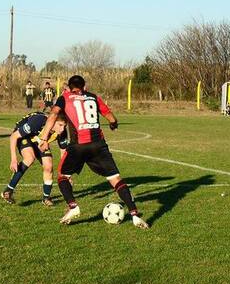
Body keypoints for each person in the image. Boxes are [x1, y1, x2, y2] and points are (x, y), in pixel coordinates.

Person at [38, 75, 149, 229]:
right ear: (84, 86)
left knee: (63, 176)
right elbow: (110, 117)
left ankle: (73, 206)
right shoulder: (93, 97)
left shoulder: (65, 97)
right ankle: (135, 215)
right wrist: (113, 124)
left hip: (78, 146)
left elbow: (54, 114)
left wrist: (44, 137)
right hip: (98, 145)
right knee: (115, 179)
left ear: (69, 88)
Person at [1, 112, 68, 206]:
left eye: (65, 126)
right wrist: (14, 159)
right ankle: (8, 190)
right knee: (29, 158)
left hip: (40, 140)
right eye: (60, 125)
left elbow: (63, 153)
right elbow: (14, 137)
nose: (62, 129)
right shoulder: (38, 122)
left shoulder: (62, 132)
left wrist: (64, 174)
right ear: (52, 122)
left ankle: (46, 198)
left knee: (48, 166)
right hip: (25, 137)